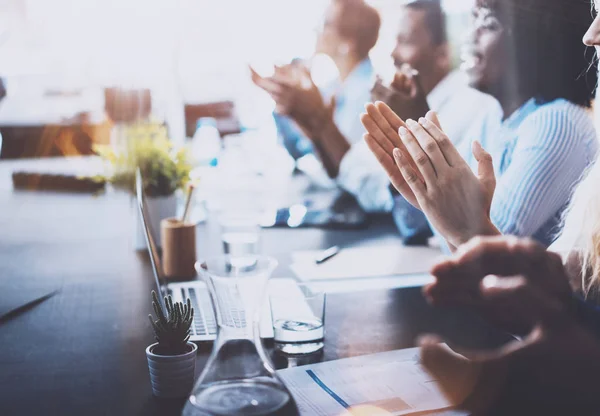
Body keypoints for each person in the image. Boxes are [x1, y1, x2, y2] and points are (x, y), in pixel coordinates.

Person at [361, 0, 598, 248]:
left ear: (533, 42)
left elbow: (479, 247)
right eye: (474, 20)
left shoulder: (557, 123)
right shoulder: (492, 116)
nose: (469, 35)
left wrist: (421, 131)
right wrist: (407, 150)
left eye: (488, 24)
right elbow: (415, 224)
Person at [250, 0, 380, 197]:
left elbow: (341, 169)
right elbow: (302, 149)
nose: (317, 30)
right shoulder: (336, 86)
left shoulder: (368, 96)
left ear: (348, 43)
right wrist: (286, 107)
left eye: (326, 24)